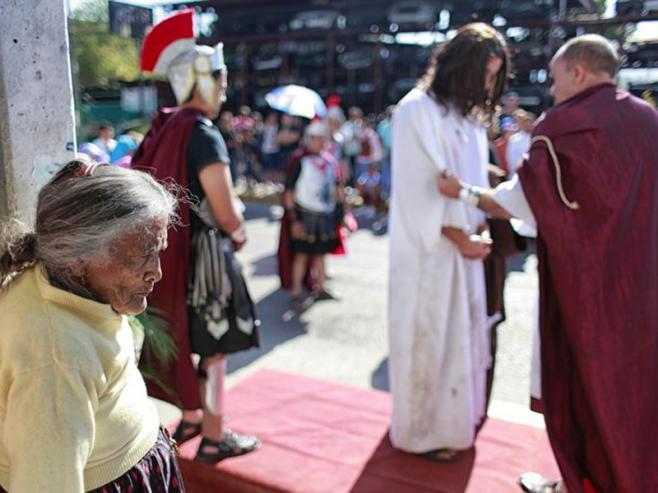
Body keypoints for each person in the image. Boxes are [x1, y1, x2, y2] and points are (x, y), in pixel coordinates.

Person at [437, 34, 658, 493]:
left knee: (583, 383)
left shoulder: (564, 125)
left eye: (556, 80)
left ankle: (585, 481)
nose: (552, 92)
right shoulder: (648, 119)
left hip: (585, 286)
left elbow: (520, 202)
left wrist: (462, 191)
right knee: (636, 387)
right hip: (643, 282)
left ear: (578, 72)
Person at [0, 159, 184, 492]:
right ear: (76, 257)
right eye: (142, 256)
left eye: (158, 251)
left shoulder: (68, 284)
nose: (157, 272)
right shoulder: (55, 361)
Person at [132, 10, 260, 463]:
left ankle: (190, 416)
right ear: (200, 79)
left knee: (193, 339)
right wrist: (240, 232)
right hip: (204, 257)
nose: (224, 90)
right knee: (215, 345)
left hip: (172, 257)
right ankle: (214, 435)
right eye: (220, 80)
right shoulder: (202, 131)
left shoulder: (165, 124)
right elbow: (224, 210)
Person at [387, 22, 510, 462]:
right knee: (430, 338)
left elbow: (466, 181)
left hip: (466, 246)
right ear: (459, 67)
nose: (488, 84)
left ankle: (455, 426)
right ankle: (421, 432)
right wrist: (460, 235)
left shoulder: (469, 116)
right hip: (431, 252)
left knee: (462, 339)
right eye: (483, 73)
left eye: (495, 75)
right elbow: (418, 189)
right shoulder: (416, 109)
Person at [281, 120, 344, 309]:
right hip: (304, 215)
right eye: (317, 138)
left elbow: (337, 188)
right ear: (309, 139)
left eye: (323, 139)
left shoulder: (330, 162)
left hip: (324, 215)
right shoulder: (301, 161)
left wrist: (341, 212)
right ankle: (296, 293)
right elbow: (289, 192)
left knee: (321, 254)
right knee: (301, 255)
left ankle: (321, 288)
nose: (321, 142)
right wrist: (293, 219)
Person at [505, 109, 536, 175]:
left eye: (530, 122)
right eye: (526, 122)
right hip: (515, 174)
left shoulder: (537, 138)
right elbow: (509, 157)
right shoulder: (514, 138)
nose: (528, 124)